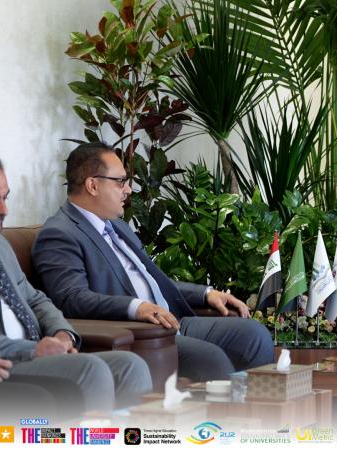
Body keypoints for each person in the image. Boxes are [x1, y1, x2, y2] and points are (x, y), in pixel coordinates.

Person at [0, 150, 153, 411]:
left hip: (36, 352)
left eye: (5, 198)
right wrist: (32, 350)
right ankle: (96, 433)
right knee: (91, 369)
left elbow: (34, 299)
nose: (3, 210)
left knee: (131, 365)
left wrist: (62, 334)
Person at [32, 143, 274, 381]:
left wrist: (206, 294)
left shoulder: (117, 226)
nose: (128, 190)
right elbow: (72, 299)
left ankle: (258, 406)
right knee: (211, 358)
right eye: (120, 181)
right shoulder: (59, 234)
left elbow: (152, 281)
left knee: (254, 334)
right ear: (93, 185)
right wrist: (137, 307)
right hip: (140, 333)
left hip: (172, 322)